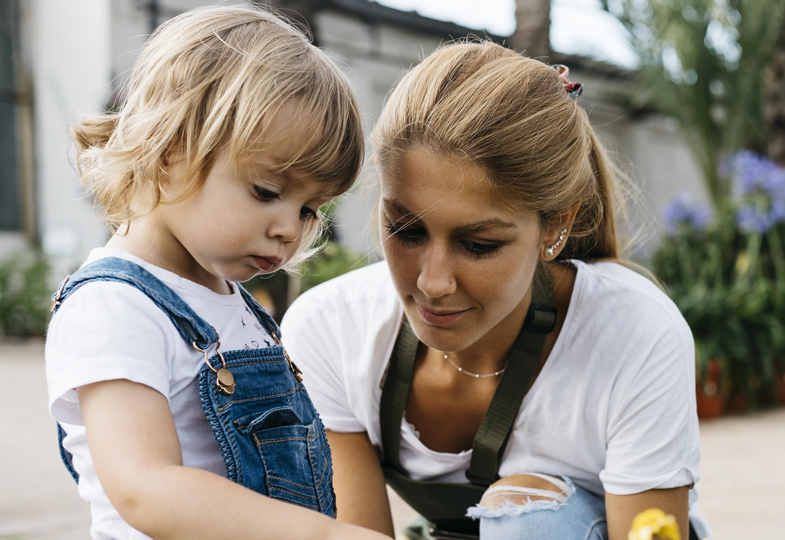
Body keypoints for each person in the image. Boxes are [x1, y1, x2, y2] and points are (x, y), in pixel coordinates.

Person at [281, 41, 709, 540]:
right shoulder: (329, 330)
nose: (432, 282)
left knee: (526, 515)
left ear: (555, 226)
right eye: (407, 231)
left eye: (479, 244)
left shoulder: (634, 334)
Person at [45, 6, 390, 540]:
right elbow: (145, 486)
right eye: (267, 192)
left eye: (309, 208)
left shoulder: (229, 300)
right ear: (169, 150)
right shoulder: (114, 306)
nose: (288, 228)